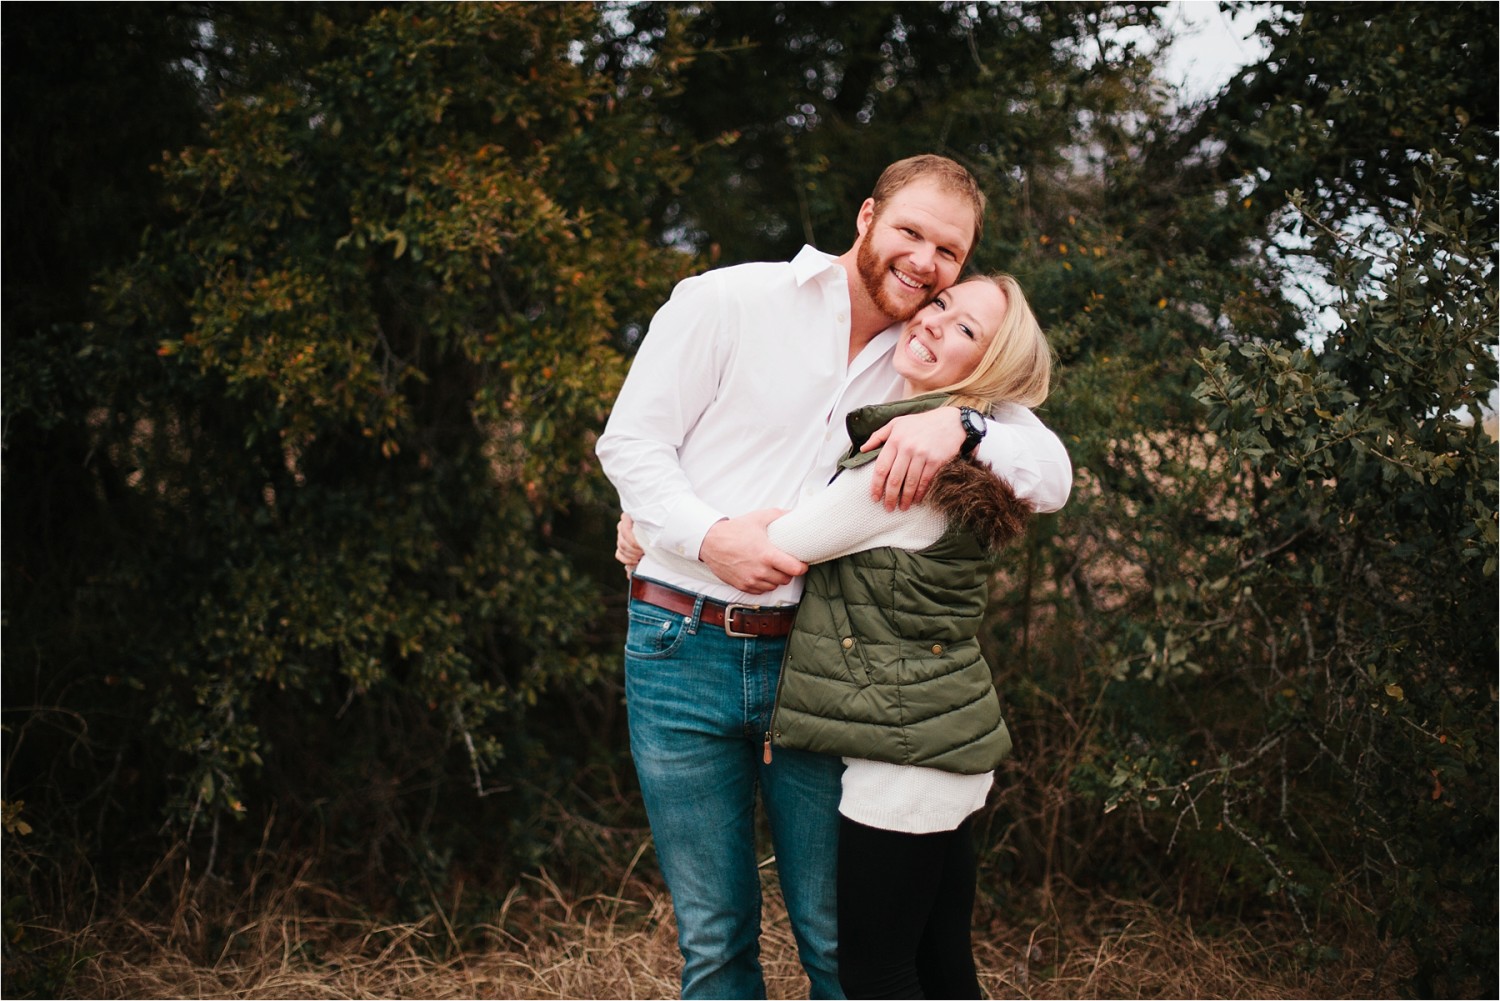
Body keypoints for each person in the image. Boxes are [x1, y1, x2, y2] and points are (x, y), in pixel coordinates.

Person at [596, 155, 1071, 999]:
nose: (926, 263)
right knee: (713, 940)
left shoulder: (929, 358)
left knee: (836, 939)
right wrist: (703, 535)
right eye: (911, 233)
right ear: (866, 219)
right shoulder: (728, 300)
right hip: (679, 643)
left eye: (949, 252)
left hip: (816, 667)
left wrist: (961, 424)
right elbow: (630, 445)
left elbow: (1050, 472)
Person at [763, 274, 1053, 999]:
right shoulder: (951, 453)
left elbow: (787, 542)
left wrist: (661, 525)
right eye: (942, 306)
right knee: (940, 964)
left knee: (876, 971)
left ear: (985, 373)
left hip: (906, 761)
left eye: (965, 332)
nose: (934, 324)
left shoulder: (902, 472)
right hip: (942, 743)